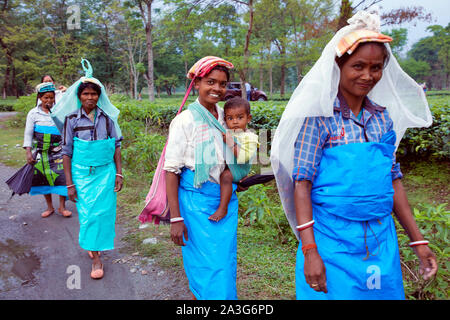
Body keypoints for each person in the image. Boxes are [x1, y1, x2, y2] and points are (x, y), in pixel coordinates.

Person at [271, 11, 437, 300]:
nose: (367, 75)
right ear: (339, 66)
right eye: (357, 66)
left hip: (378, 239)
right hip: (331, 239)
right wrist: (310, 251)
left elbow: (392, 180)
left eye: (375, 67)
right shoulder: (319, 118)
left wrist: (418, 240)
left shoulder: (382, 119)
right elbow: (302, 184)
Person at [164, 56, 250, 300]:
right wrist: (176, 217)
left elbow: (239, 153)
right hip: (194, 203)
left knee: (224, 264)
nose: (217, 89)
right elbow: (171, 171)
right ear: (197, 83)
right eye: (210, 82)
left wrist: (239, 177)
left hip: (225, 201)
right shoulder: (185, 121)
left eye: (222, 84)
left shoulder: (227, 116)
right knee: (203, 265)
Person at [55, 60, 123, 280]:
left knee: (103, 214)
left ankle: (96, 247)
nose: (90, 98)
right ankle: (96, 258)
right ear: (79, 96)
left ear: (99, 96)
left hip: (106, 172)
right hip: (82, 175)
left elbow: (116, 146)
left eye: (94, 94)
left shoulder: (108, 118)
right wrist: (69, 184)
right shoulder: (71, 119)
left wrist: (119, 173)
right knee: (87, 215)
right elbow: (66, 152)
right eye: (86, 94)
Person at [23, 82, 71, 218]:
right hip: (41, 152)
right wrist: (28, 152)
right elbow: (28, 134)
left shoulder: (59, 112)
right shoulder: (33, 113)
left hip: (59, 152)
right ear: (40, 97)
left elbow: (65, 129)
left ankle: (62, 207)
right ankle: (50, 207)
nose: (49, 101)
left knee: (62, 178)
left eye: (51, 98)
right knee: (44, 179)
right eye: (46, 98)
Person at [209, 97, 259, 222]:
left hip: (240, 169)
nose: (235, 121)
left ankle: (223, 208)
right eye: (230, 118)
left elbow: (244, 157)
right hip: (231, 165)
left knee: (226, 176)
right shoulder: (227, 132)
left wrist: (231, 142)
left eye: (240, 117)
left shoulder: (250, 137)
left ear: (249, 118)